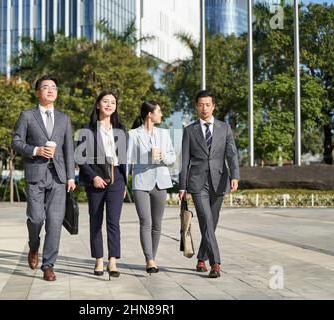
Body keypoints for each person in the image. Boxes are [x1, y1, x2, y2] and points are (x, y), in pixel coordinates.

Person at [11, 75, 76, 281]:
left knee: (55, 222)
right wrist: (37, 150)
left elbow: (69, 150)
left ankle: (48, 265)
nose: (51, 90)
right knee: (36, 217)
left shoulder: (64, 119)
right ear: (37, 92)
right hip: (35, 174)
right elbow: (16, 142)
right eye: (46, 87)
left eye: (54, 87)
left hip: (58, 177)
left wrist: (71, 177)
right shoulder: (27, 116)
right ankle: (33, 245)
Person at [178, 90, 239, 279]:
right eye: (200, 105)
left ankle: (201, 258)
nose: (204, 108)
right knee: (205, 219)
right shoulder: (190, 130)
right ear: (197, 107)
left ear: (213, 106)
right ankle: (216, 263)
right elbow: (184, 160)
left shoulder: (225, 128)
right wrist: (182, 186)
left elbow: (232, 154)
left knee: (211, 222)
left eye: (207, 104)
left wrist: (235, 176)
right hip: (197, 182)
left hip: (219, 180)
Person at [76, 90, 127, 279]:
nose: (109, 105)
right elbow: (80, 158)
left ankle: (112, 260)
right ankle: (98, 259)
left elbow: (123, 160)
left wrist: (124, 185)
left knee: (113, 222)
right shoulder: (86, 128)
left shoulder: (120, 129)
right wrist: (92, 177)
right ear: (97, 104)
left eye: (113, 102)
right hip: (95, 180)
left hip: (116, 179)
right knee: (95, 221)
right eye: (105, 101)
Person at [127, 101, 176, 274]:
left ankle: (152, 258)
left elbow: (172, 157)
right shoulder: (133, 134)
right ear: (149, 114)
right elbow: (128, 159)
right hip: (141, 183)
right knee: (145, 221)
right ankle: (149, 259)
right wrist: (124, 186)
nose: (161, 114)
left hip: (161, 182)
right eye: (159, 111)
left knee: (157, 224)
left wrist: (163, 156)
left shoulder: (164, 133)